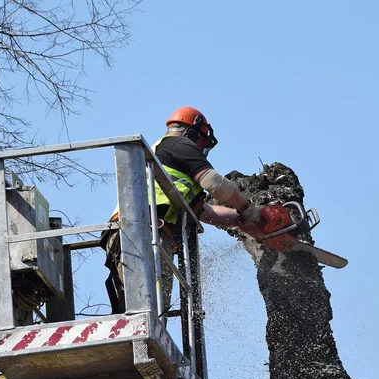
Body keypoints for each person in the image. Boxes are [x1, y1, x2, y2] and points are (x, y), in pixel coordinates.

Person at [101, 106, 263, 316]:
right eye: (201, 142)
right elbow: (214, 182)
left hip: (141, 233)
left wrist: (239, 219)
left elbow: (203, 211)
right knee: (147, 313)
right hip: (145, 233)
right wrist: (247, 209)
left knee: (145, 312)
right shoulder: (179, 143)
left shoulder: (166, 159)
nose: (199, 149)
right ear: (193, 131)